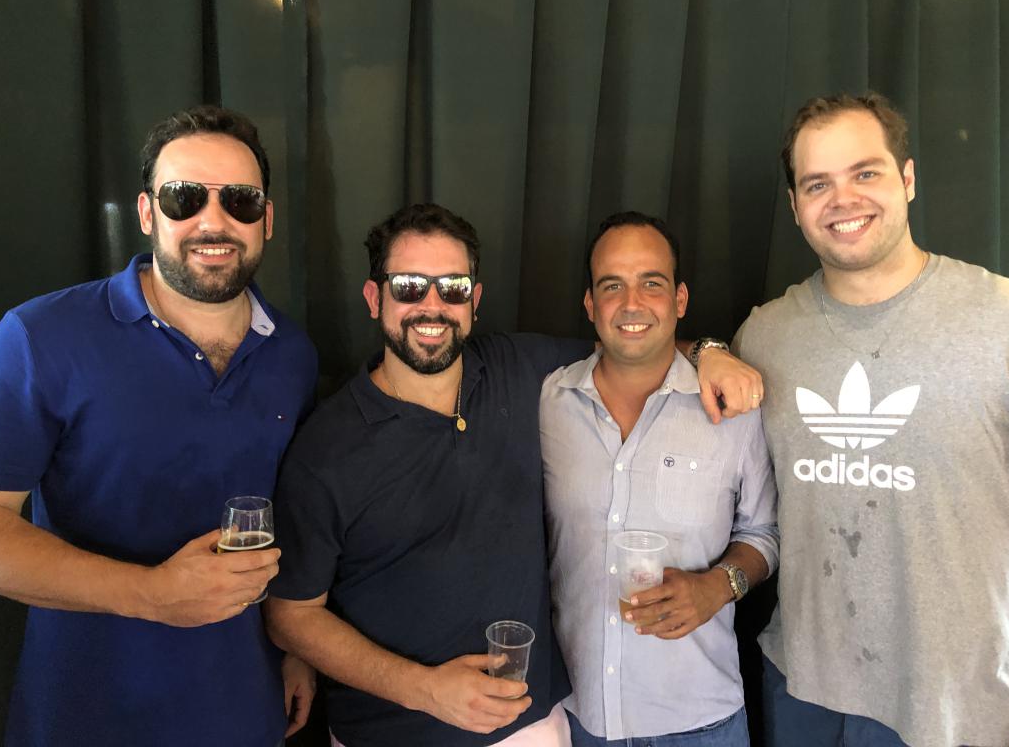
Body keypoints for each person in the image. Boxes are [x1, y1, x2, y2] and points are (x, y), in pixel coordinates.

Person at [264, 203, 764, 747]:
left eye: (453, 287)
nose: (432, 305)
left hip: (533, 726)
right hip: (388, 732)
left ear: (474, 301)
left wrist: (711, 353)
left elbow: (634, 342)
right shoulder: (327, 446)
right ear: (373, 297)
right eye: (408, 286)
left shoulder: (522, 370)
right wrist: (423, 689)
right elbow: (290, 616)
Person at [0, 105, 318, 746]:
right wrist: (150, 593)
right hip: (87, 715)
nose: (213, 222)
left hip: (242, 708)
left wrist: (298, 648)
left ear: (267, 219)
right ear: (147, 213)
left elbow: (299, 516)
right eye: (184, 198)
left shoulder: (293, 354)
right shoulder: (39, 337)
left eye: (241, 201)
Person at [733, 93, 1009, 747]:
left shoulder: (1004, 320)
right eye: (817, 184)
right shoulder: (765, 335)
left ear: (907, 179)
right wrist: (711, 350)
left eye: (865, 172)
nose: (844, 199)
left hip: (961, 707)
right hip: (800, 690)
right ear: (795, 206)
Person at [540, 211, 778, 746]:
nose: (632, 303)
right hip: (575, 719)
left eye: (651, 283)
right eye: (612, 286)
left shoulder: (734, 410)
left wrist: (719, 586)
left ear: (680, 299)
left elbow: (765, 532)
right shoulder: (548, 401)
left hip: (700, 721)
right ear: (590, 304)